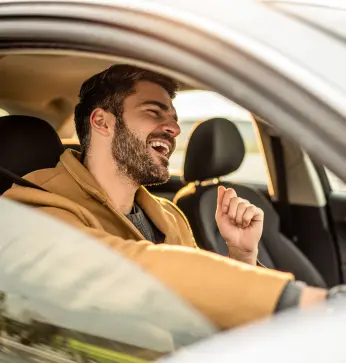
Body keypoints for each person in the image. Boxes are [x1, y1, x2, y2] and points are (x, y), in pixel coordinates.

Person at [3, 65, 333, 331]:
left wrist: (241, 253)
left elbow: (200, 309)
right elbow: (125, 272)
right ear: (102, 121)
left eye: (173, 118)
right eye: (154, 112)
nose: (173, 128)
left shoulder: (168, 214)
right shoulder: (37, 209)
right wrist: (295, 302)